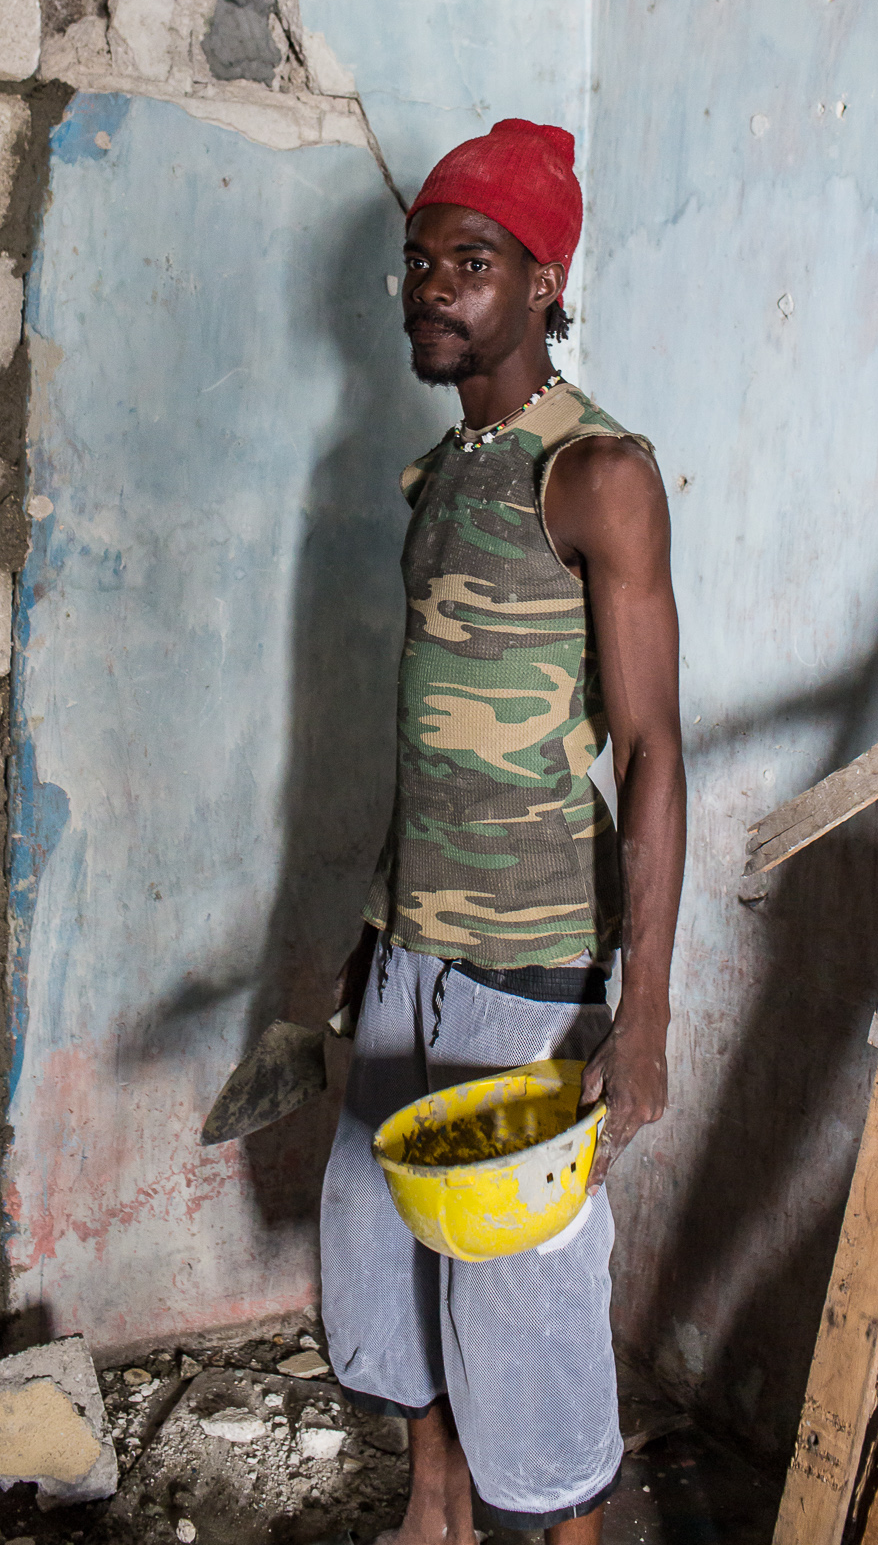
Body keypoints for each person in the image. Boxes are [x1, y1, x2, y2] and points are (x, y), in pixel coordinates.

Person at [320, 119, 686, 1544]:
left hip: (532, 961)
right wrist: (377, 926)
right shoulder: (440, 476)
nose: (432, 287)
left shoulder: (595, 474)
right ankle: (434, 1513)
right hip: (416, 949)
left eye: (471, 263)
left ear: (545, 285)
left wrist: (641, 1012)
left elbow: (653, 750)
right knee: (398, 1258)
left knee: (522, 1303)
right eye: (419, 260)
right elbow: (432, 739)